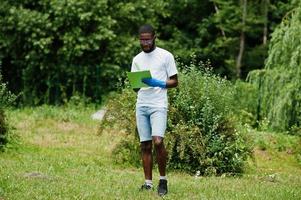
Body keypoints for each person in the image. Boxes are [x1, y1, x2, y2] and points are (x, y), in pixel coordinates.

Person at [130, 24, 178, 196]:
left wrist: (158, 83)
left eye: (148, 39)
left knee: (158, 141)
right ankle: (148, 183)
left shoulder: (165, 56)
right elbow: (135, 88)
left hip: (159, 105)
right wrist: (137, 83)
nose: (145, 43)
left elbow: (175, 81)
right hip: (142, 104)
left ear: (154, 37)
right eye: (142, 40)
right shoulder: (137, 59)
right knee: (145, 145)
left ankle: (163, 180)